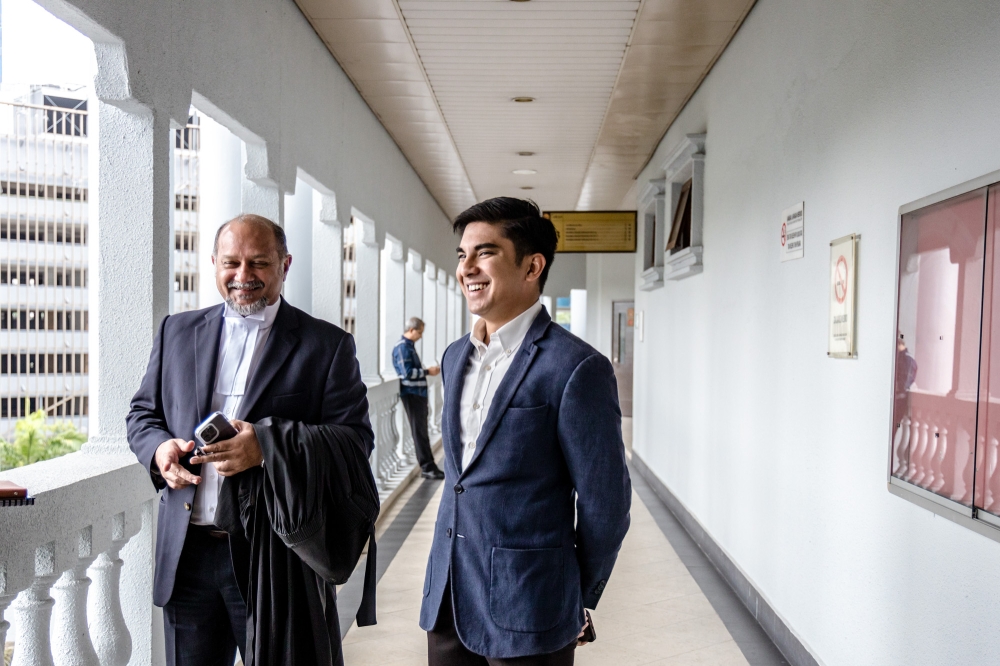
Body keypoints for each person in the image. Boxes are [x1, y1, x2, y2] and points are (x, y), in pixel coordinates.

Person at [126, 214, 374, 666]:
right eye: (231, 263)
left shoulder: (327, 345)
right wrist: (159, 448)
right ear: (214, 264)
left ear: (285, 264)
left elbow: (355, 443)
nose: (244, 276)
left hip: (276, 558)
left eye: (259, 263)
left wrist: (266, 445)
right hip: (187, 554)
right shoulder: (176, 331)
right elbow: (143, 414)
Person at [420, 197, 632, 665]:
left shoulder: (576, 367)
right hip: (449, 597)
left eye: (485, 253)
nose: (467, 267)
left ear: (532, 266)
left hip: (530, 603)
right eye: (462, 254)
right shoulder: (456, 357)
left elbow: (606, 504)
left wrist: (576, 593)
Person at [393, 316, 446, 479]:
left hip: (418, 394)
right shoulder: (403, 348)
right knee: (419, 432)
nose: (421, 336)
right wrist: (427, 372)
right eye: (420, 332)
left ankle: (429, 465)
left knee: (422, 431)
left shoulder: (409, 347)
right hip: (412, 394)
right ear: (411, 330)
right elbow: (406, 373)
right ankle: (427, 467)